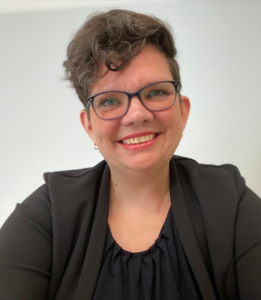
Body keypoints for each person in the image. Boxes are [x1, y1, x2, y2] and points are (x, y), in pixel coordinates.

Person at [0, 9, 260, 300]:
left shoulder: (230, 202)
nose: (137, 115)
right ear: (89, 125)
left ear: (182, 111)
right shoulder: (47, 216)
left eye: (156, 93)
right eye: (110, 100)